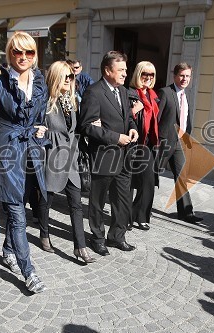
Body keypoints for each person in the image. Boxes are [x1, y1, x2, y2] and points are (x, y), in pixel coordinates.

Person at [0, 31, 49, 294]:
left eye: (28, 52)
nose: (23, 57)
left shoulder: (41, 83)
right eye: (17, 52)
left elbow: (41, 119)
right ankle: (28, 272)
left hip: (32, 152)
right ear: (10, 54)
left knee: (26, 205)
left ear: (34, 55)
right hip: (7, 153)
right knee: (17, 214)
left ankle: (8, 250)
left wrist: (42, 129)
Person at [78, 51, 139, 256]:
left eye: (125, 69)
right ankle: (97, 238)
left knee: (122, 200)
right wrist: (115, 137)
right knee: (97, 200)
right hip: (104, 156)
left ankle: (117, 236)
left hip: (124, 156)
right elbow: (86, 126)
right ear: (107, 70)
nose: (125, 73)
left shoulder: (123, 91)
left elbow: (128, 117)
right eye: (120, 70)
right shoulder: (94, 92)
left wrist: (132, 128)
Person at [37, 60, 97, 264]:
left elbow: (76, 128)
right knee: (47, 200)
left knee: (76, 203)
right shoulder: (43, 102)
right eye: (66, 77)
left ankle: (80, 248)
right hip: (52, 156)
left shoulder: (72, 101)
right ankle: (44, 234)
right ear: (55, 78)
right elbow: (36, 130)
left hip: (70, 157)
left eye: (71, 77)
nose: (70, 80)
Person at [157, 62, 203, 224]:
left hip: (179, 144)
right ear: (175, 76)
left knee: (182, 176)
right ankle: (137, 210)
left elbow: (185, 120)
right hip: (163, 143)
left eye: (188, 76)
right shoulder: (165, 92)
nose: (185, 79)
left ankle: (186, 213)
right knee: (150, 175)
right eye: (182, 75)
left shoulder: (185, 95)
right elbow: (156, 119)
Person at [128, 61, 158, 231]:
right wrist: (133, 111)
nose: (148, 77)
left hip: (148, 145)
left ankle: (141, 216)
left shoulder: (153, 96)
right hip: (133, 143)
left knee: (148, 182)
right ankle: (126, 218)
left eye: (151, 75)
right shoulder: (130, 93)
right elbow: (124, 118)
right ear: (138, 75)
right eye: (144, 74)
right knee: (130, 184)